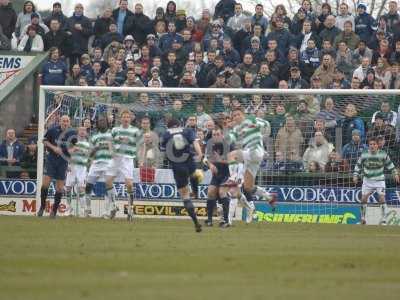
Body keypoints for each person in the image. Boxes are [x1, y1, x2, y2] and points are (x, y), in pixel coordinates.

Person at [226, 108, 276, 223]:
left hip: (256, 152)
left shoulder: (251, 119)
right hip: (252, 158)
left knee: (231, 155)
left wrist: (260, 130)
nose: (236, 117)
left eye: (238, 114)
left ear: (243, 114)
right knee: (248, 187)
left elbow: (265, 124)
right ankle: (269, 197)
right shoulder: (237, 128)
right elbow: (230, 138)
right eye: (234, 116)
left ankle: (233, 179)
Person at [160, 118, 203, 232]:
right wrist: (200, 154)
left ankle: (196, 222)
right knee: (194, 174)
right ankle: (195, 191)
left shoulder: (166, 134)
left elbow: (163, 150)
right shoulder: (187, 130)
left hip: (177, 166)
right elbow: (195, 142)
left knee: (184, 195)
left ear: (168, 127)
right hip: (189, 161)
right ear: (180, 125)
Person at [353, 137, 400, 225]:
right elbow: (358, 165)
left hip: (379, 180)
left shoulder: (383, 154)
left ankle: (384, 219)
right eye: (370, 144)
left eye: (374, 144)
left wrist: (395, 174)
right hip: (367, 180)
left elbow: (390, 165)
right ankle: (363, 218)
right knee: (363, 199)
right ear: (368, 145)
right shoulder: (364, 154)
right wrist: (355, 175)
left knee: (381, 198)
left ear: (377, 145)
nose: (372, 146)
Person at [37, 115, 77, 218]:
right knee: (45, 183)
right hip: (51, 159)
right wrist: (53, 147)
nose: (65, 123)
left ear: (69, 122)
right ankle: (42, 207)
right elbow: (44, 141)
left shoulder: (72, 133)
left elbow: (76, 146)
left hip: (63, 161)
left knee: (59, 187)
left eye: (67, 121)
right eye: (63, 121)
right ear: (60, 121)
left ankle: (54, 211)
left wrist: (71, 151)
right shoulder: (52, 130)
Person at [105, 110, 140, 221]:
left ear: (130, 119)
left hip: (127, 159)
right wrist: (111, 151)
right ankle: (113, 206)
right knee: (108, 181)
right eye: (124, 117)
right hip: (116, 158)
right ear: (120, 118)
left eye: (127, 117)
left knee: (129, 184)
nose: (125, 119)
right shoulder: (115, 130)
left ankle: (130, 210)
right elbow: (110, 142)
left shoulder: (135, 130)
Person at [203, 127, 232, 227]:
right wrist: (210, 165)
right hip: (216, 175)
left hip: (228, 174)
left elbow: (234, 161)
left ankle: (226, 220)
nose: (215, 136)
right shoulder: (210, 144)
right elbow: (205, 158)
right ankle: (209, 220)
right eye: (214, 135)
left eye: (218, 134)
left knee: (222, 192)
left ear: (222, 135)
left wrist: (220, 160)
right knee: (211, 192)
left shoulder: (228, 145)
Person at [85, 116, 113, 218]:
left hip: (108, 163)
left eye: (103, 121)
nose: (101, 122)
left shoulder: (112, 134)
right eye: (99, 121)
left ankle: (107, 211)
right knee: (88, 186)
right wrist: (96, 148)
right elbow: (90, 153)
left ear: (107, 123)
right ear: (97, 124)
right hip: (96, 164)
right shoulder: (94, 137)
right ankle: (88, 209)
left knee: (108, 186)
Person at [65, 127, 90, 217]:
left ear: (86, 133)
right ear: (78, 132)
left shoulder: (88, 143)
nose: (82, 132)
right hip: (72, 167)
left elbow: (89, 155)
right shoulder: (73, 142)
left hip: (82, 168)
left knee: (81, 188)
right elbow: (69, 152)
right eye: (81, 130)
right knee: (68, 188)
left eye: (84, 130)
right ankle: (69, 208)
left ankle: (83, 209)